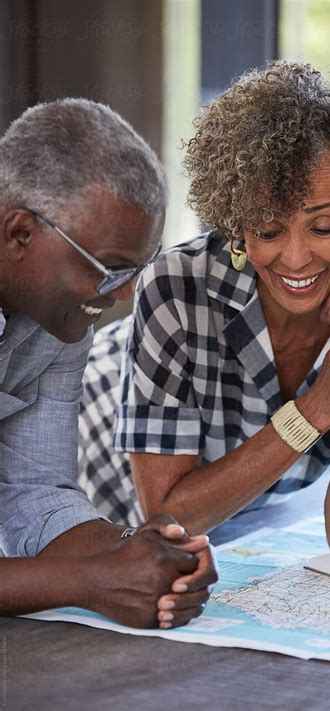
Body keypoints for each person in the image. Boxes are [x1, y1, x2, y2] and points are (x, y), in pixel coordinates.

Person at [79, 61, 330, 551]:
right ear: (236, 222)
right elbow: (168, 516)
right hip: (98, 437)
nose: (294, 259)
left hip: (237, 508)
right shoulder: (175, 287)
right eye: (267, 230)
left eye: (322, 227)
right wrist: (317, 408)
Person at [0, 98, 217, 629]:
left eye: (136, 270)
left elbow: (36, 493)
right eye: (110, 269)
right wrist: (89, 582)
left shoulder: (58, 316)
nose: (122, 296)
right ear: (20, 232)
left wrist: (139, 549)